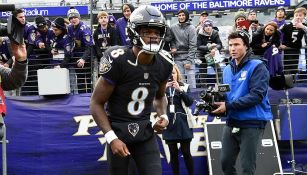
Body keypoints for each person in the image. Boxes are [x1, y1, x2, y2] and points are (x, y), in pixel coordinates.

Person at [90, 5, 173, 175]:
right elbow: (96, 103)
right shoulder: (118, 58)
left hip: (145, 132)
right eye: (147, 32)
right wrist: (111, 138)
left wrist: (163, 115)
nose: (153, 37)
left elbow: (160, 96)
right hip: (118, 131)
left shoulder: (165, 61)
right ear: (133, 32)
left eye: (157, 32)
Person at [211, 30, 273, 175]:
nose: (233, 48)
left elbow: (256, 96)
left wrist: (228, 106)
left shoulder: (257, 66)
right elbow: (227, 95)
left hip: (252, 121)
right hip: (232, 121)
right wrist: (216, 102)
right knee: (225, 163)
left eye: (237, 44)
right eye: (231, 45)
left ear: (246, 46)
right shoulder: (226, 69)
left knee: (247, 167)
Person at [162, 65, 194, 175]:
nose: (172, 75)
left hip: (183, 122)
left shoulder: (185, 86)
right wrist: (163, 89)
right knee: (173, 153)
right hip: (169, 122)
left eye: (174, 73)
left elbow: (190, 102)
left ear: (178, 74)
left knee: (186, 152)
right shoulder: (161, 88)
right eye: (169, 73)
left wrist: (179, 90)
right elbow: (155, 102)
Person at [170, 9, 197, 88]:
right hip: (177, 58)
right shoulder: (173, 27)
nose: (181, 17)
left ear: (187, 16)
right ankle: (183, 98)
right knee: (180, 82)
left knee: (191, 81)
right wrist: (173, 47)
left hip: (189, 57)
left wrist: (189, 60)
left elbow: (193, 45)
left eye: (183, 15)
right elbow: (172, 40)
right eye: (179, 15)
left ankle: (192, 99)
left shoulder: (191, 28)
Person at [280, 7, 307, 74]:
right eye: (296, 15)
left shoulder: (305, 26)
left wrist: (303, 27)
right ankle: (288, 82)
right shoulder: (287, 25)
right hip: (288, 50)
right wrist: (280, 44)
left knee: (297, 68)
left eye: (300, 15)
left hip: (300, 50)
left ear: (304, 16)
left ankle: (295, 80)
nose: (298, 17)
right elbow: (277, 32)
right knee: (287, 67)